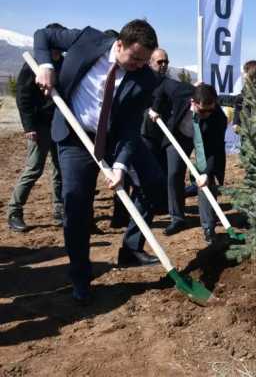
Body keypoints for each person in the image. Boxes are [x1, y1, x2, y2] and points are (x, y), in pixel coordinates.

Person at [33, 19, 161, 304]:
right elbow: (43, 35)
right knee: (76, 203)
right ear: (119, 45)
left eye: (145, 60)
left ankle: (132, 249)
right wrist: (46, 65)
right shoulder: (87, 40)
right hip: (74, 136)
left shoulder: (145, 79)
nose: (140, 64)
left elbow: (129, 128)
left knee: (153, 184)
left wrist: (120, 166)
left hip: (113, 138)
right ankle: (80, 277)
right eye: (135, 57)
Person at [149, 83, 227, 244]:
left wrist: (207, 172)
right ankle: (177, 218)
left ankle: (208, 227)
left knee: (206, 182)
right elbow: (162, 87)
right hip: (178, 135)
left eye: (210, 110)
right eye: (203, 110)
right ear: (193, 102)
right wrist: (155, 108)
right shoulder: (180, 91)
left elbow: (215, 149)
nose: (207, 114)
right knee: (174, 173)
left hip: (205, 143)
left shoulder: (218, 117)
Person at [8, 23, 66, 232]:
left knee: (60, 169)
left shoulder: (65, 64)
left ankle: (59, 210)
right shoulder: (34, 65)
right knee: (34, 168)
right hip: (39, 125)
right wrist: (29, 126)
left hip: (58, 125)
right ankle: (14, 211)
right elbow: (23, 98)